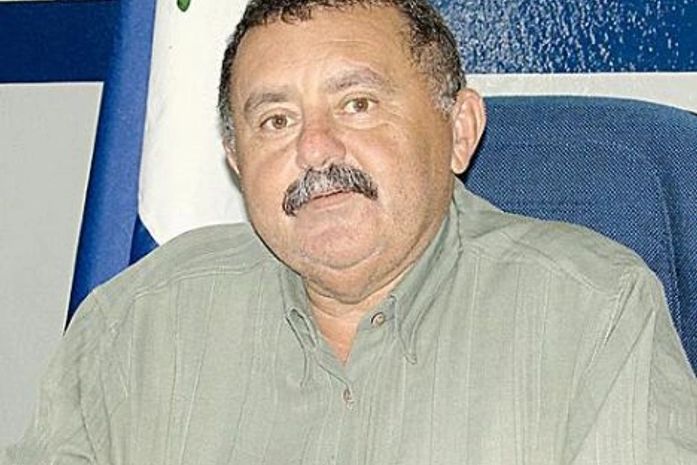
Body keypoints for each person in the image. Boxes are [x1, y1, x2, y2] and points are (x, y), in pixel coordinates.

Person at [3, 0, 697, 463]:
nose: (314, 148)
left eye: (357, 104)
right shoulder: (135, 324)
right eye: (275, 120)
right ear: (237, 162)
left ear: (459, 131)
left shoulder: (593, 313)